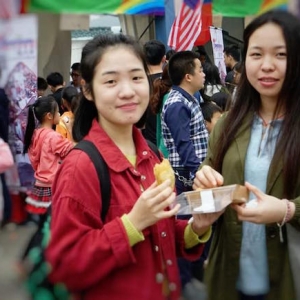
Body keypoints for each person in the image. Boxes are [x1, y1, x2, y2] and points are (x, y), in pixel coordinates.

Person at [45, 33, 221, 300]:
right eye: (111, 81)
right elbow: (65, 266)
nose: (128, 91)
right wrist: (131, 224)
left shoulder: (150, 155)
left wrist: (196, 227)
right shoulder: (80, 167)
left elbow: (160, 231)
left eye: (136, 78)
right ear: (89, 90)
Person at [193, 10, 300, 300]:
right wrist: (203, 178)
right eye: (256, 55)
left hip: (289, 276)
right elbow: (210, 170)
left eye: (281, 54)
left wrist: (286, 210)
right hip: (231, 276)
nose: (267, 66)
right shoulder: (228, 124)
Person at [142, 39, 166, 145]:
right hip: (170, 144)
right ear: (164, 58)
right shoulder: (172, 82)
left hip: (148, 143)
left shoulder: (139, 84)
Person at [150, 64, 172, 157]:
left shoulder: (166, 97)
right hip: (170, 155)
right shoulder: (172, 100)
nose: (203, 74)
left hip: (163, 151)